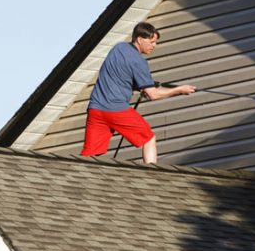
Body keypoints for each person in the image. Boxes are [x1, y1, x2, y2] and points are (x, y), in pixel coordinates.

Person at [81, 22, 196, 163]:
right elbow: (153, 94)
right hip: (116, 110)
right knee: (148, 138)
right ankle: (151, 174)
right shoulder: (139, 61)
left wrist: (141, 85)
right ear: (140, 39)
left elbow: (120, 76)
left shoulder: (118, 48)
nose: (154, 46)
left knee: (90, 154)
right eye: (152, 42)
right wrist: (179, 90)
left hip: (95, 109)